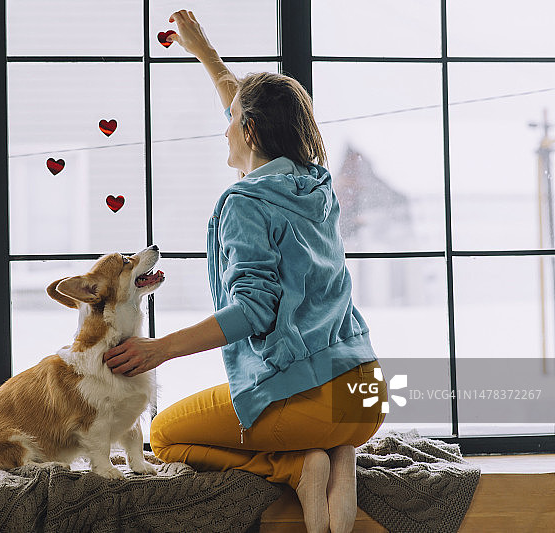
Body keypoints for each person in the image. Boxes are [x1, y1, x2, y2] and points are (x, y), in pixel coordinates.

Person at [103, 10, 388, 533]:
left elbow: (255, 309)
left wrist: (157, 349)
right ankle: (338, 454)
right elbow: (244, 100)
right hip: (366, 397)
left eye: (230, 123)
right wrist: (204, 53)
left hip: (314, 402)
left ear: (250, 129)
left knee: (163, 434)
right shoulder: (314, 182)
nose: (224, 132)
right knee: (311, 420)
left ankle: (300, 466)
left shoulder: (245, 202)